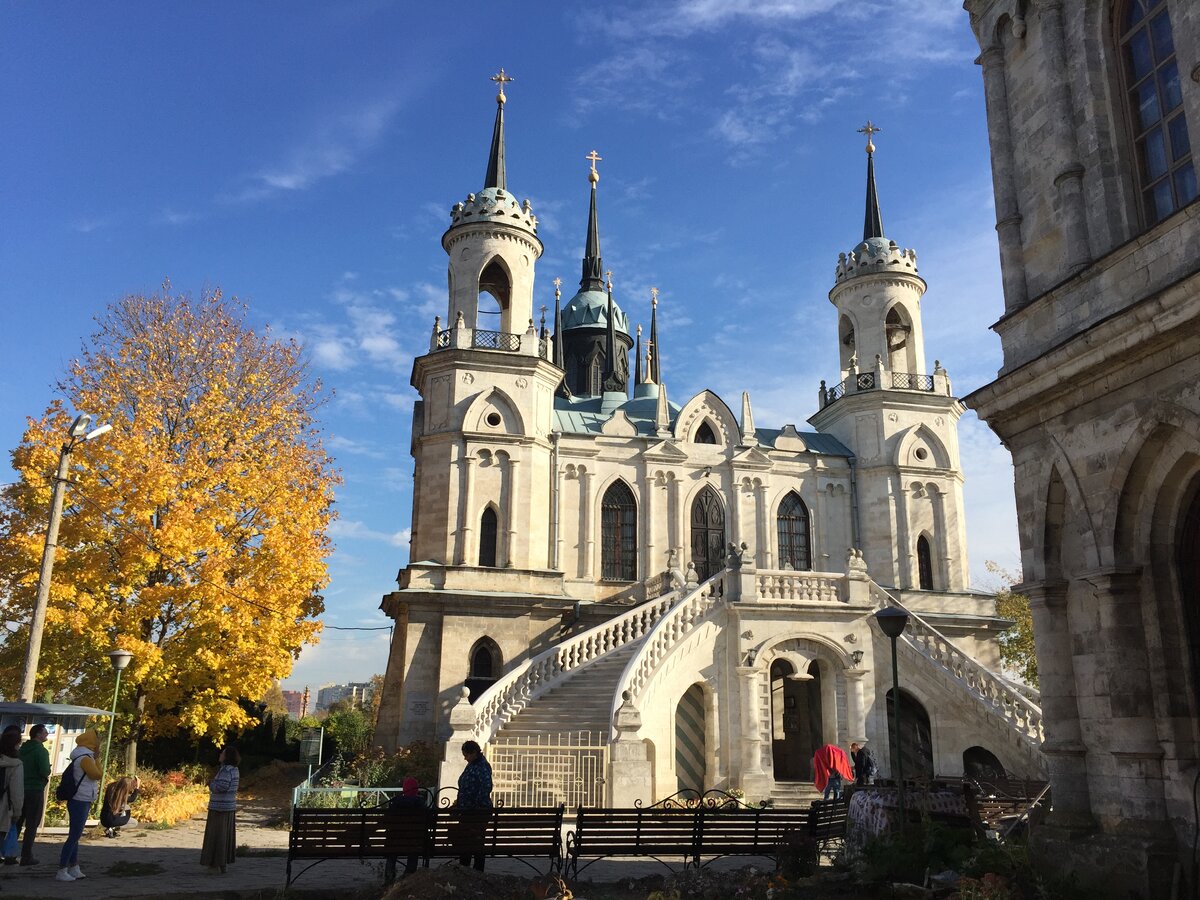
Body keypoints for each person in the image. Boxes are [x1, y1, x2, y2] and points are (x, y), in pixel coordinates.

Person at [57, 727, 101, 882]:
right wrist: (97, 759)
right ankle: (62, 868)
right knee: (74, 835)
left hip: (80, 798)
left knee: (75, 835)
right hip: (80, 799)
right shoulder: (86, 758)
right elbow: (97, 774)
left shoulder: (82, 756)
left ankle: (74, 866)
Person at [200, 745, 239, 874]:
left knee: (216, 836)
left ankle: (214, 864)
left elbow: (222, 786)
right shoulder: (234, 770)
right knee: (224, 836)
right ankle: (222, 863)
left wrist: (211, 784)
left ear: (226, 757)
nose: (220, 755)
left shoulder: (226, 771)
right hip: (228, 806)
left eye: (222, 753)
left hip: (219, 807)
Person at [454, 741, 492, 871]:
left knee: (475, 841)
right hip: (467, 811)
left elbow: (486, 786)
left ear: (474, 753)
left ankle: (475, 870)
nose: (465, 758)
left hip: (476, 812)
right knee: (467, 840)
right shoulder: (472, 765)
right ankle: (465, 867)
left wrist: (475, 805)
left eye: (466, 755)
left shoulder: (481, 766)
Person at [16, 724, 51, 866]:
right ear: (38, 734)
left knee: (17, 822)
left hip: (19, 788)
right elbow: (44, 770)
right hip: (35, 789)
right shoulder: (41, 751)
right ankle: (26, 855)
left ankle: (9, 853)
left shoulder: (22, 749)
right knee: (32, 824)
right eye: (45, 732)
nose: (47, 735)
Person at [385, 776, 426, 882]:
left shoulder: (395, 803)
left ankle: (389, 878)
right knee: (414, 847)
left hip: (394, 842)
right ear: (416, 790)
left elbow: (386, 822)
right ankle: (409, 876)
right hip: (415, 842)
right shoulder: (420, 804)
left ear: (404, 789)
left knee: (392, 850)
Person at [0, 729, 25, 869]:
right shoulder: (16, 765)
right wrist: (17, 812)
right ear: (16, 745)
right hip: (3, 809)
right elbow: (17, 793)